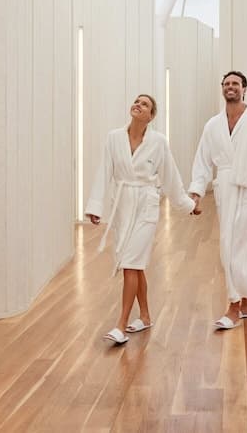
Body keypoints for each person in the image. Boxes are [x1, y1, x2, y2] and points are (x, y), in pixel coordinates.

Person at [85, 93, 196, 344]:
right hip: (122, 206)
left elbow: (170, 176)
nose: (138, 104)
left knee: (130, 263)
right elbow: (104, 172)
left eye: (144, 104)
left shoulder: (159, 142)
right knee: (134, 264)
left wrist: (188, 205)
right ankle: (145, 316)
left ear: (151, 116)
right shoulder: (114, 138)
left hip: (146, 205)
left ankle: (121, 325)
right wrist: (95, 206)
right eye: (136, 101)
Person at [188, 71, 247, 329]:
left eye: (236, 83)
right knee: (234, 245)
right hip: (225, 188)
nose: (230, 87)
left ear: (244, 89)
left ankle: (233, 306)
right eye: (226, 83)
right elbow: (202, 160)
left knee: (236, 246)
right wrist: (196, 192)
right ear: (222, 88)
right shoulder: (213, 125)